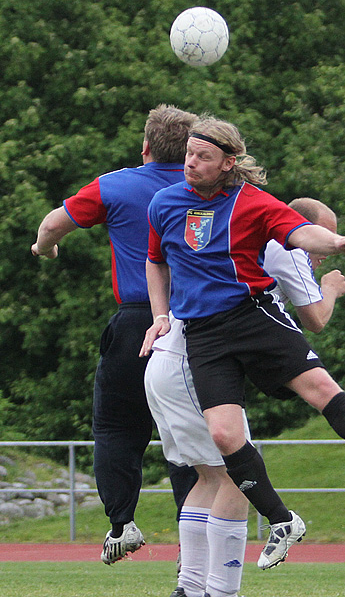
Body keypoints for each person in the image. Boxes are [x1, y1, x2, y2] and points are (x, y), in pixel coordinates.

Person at [140, 116, 345, 571]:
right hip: (203, 335)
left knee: (318, 388)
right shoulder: (165, 202)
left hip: (251, 316)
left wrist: (339, 243)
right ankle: (281, 521)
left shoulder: (252, 202)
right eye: (190, 153)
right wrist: (160, 316)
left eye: (203, 157)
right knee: (223, 435)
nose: (191, 163)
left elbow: (300, 233)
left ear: (228, 163)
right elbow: (155, 262)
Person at [145, 198, 345, 597]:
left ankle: (189, 588)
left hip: (166, 362)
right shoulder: (284, 250)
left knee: (209, 475)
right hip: (189, 363)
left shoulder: (240, 236)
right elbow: (316, 319)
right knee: (238, 474)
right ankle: (220, 591)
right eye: (321, 241)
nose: (321, 254)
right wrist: (331, 290)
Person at [31, 104, 200, 565]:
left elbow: (51, 225)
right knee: (186, 435)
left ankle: (122, 524)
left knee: (114, 427)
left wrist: (45, 248)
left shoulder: (116, 184)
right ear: (191, 151)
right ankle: (195, 539)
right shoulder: (209, 189)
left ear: (145, 146)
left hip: (135, 322)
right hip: (196, 323)